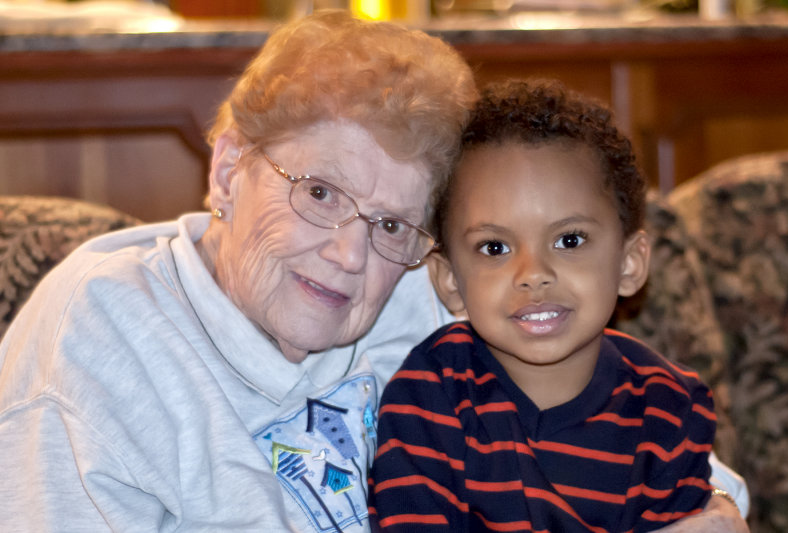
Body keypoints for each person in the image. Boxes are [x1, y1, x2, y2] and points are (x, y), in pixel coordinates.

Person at [0, 10, 746, 532]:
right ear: (228, 167)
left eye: (390, 222)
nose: (349, 254)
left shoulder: (421, 289)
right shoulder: (100, 341)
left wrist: (716, 507)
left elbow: (679, 467)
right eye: (319, 193)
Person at [369, 79, 746, 532]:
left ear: (628, 264)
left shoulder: (670, 409)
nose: (533, 272)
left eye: (569, 240)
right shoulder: (430, 398)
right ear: (449, 280)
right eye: (494, 248)